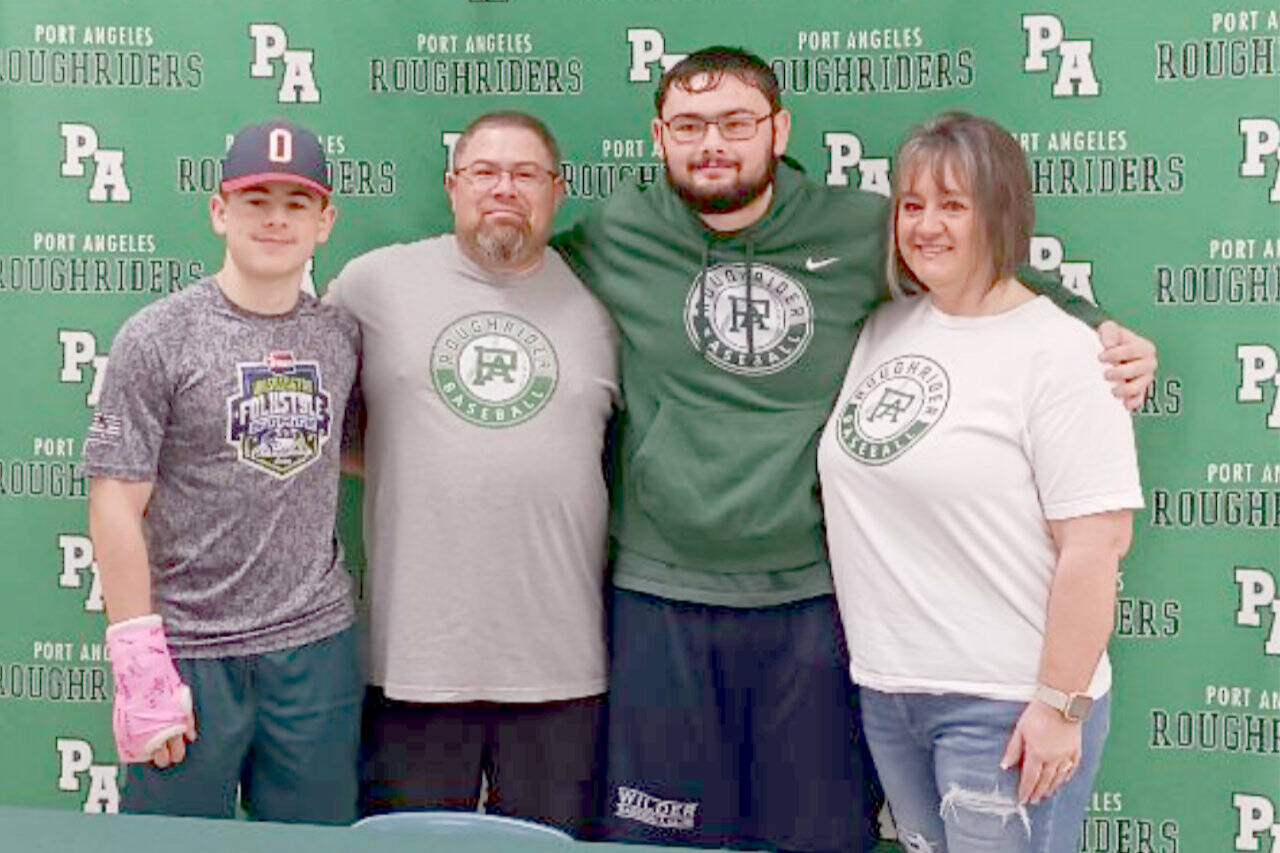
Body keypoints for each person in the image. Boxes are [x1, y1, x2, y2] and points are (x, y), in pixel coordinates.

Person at [553, 48, 1155, 852]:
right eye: (690, 126)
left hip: (816, 603)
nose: (713, 145)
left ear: (779, 129)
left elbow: (985, 273)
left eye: (737, 123)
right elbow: (520, 277)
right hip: (663, 587)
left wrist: (1097, 326)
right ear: (658, 135)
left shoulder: (866, 225)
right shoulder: (619, 229)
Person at [818, 112, 1142, 853]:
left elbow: (1095, 546)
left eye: (953, 205)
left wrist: (1060, 708)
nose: (927, 225)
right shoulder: (884, 329)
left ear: (1001, 213)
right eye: (911, 205)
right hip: (890, 691)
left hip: (1005, 702)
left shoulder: (1063, 353)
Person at [324, 111, 617, 836]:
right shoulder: (373, 284)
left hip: (563, 664)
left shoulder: (607, 300)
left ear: (558, 189)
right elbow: (309, 423)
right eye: (485, 172)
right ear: (453, 185)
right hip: (416, 660)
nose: (504, 189)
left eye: (525, 174)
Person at [83, 119, 361, 823]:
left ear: (325, 220)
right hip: (189, 652)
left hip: (312, 647)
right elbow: (116, 500)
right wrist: (140, 663)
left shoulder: (340, 335)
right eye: (254, 198)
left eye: (296, 202)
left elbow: (350, 451)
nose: (274, 218)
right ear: (218, 210)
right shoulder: (158, 334)